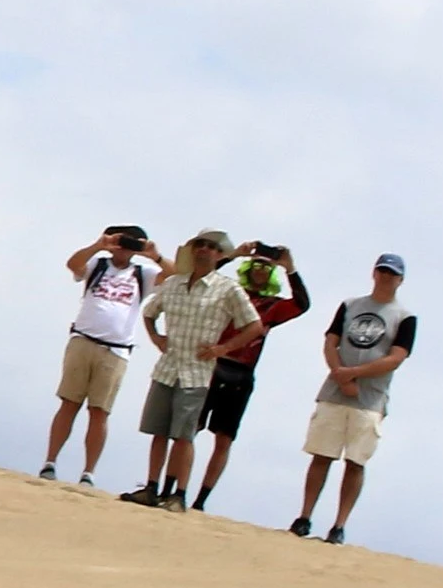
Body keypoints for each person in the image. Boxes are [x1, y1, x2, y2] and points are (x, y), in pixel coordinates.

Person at [124, 232, 260, 512]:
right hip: (167, 367)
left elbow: (254, 325)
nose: (205, 250)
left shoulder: (228, 289)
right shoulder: (173, 283)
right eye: (201, 245)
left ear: (220, 254)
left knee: (184, 435)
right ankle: (151, 487)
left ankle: (179, 495)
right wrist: (156, 337)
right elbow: (149, 312)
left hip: (197, 372)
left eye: (212, 247)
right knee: (158, 431)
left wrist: (224, 348)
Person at [290, 253, 415, 544]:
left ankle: (339, 524)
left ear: (400, 280)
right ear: (374, 273)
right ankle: (305, 515)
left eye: (392, 273)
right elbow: (331, 340)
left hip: (370, 398)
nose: (385, 277)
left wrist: (355, 373)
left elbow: (396, 357)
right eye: (382, 271)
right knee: (322, 454)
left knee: (356, 461)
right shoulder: (350, 305)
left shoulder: (405, 317)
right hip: (335, 392)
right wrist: (339, 374)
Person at [192, 241, 311, 513]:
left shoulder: (273, 307)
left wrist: (289, 269)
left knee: (224, 438)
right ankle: (177, 487)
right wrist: (234, 255)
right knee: (190, 426)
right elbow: (205, 277)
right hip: (214, 363)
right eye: (256, 265)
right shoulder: (231, 293)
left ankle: (201, 499)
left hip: (241, 373)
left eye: (266, 268)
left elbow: (302, 304)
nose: (260, 271)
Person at [41, 228, 162, 488]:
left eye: (130, 243)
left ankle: (88, 472)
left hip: (116, 349)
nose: (124, 247)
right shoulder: (98, 264)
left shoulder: (143, 274)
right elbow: (73, 264)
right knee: (69, 402)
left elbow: (177, 277)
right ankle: (50, 462)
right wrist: (99, 245)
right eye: (121, 240)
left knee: (100, 411)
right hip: (83, 340)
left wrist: (155, 256)